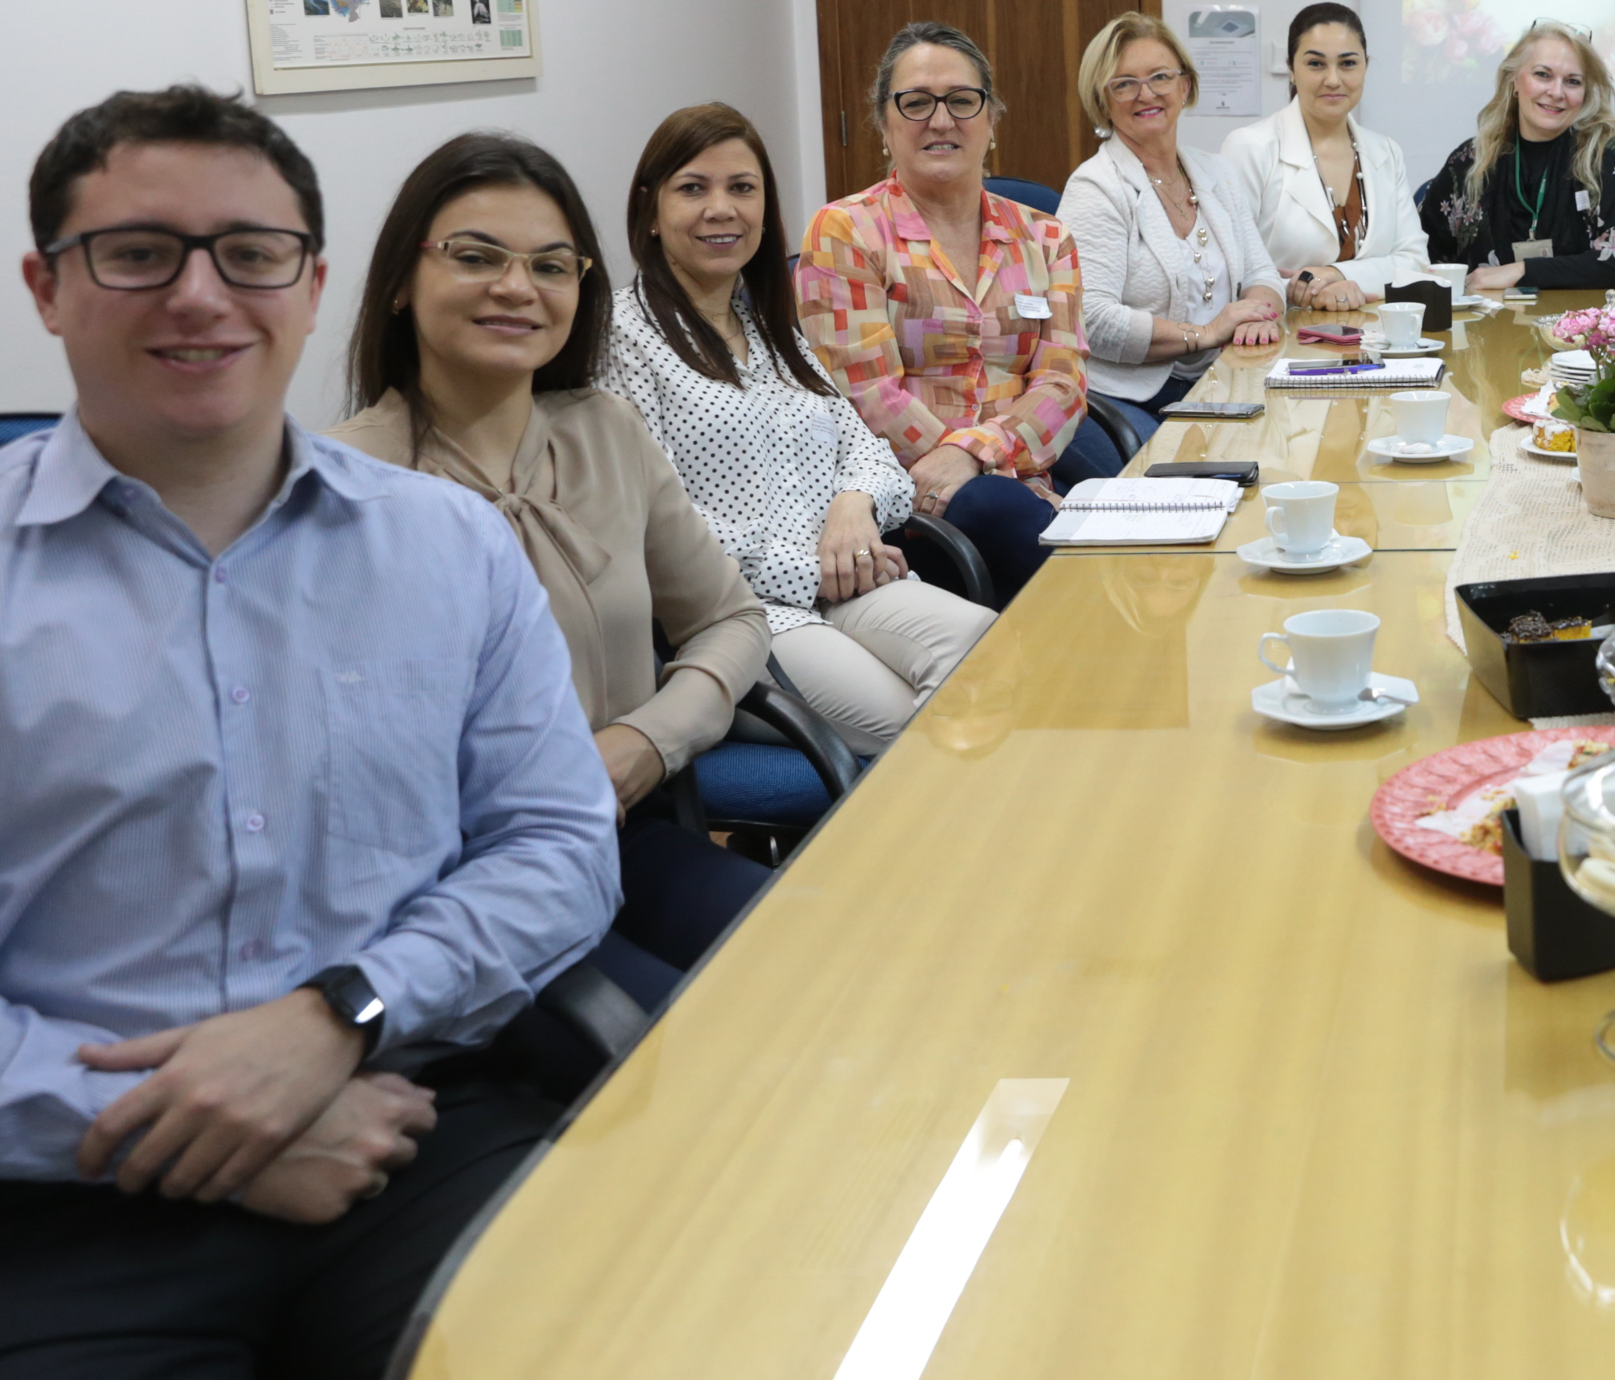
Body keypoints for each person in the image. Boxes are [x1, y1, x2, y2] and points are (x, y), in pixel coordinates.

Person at [0, 87, 614, 1376]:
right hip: (60, 1197)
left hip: (407, 1123)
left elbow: (557, 847)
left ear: (315, 280)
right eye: (137, 252)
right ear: (45, 286)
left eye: (252, 253)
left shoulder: (445, 547)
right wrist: (182, 1115)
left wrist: (340, 1017)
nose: (201, 294)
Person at [329, 132, 772, 1011]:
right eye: (475, 256)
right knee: (671, 1057)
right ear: (397, 283)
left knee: (815, 969)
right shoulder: (344, 489)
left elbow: (731, 620)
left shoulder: (605, 430)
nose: (516, 287)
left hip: (629, 834)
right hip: (463, 885)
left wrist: (646, 743)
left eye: (552, 264)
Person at [603, 103, 995, 755]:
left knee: (991, 652)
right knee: (916, 729)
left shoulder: (770, 327)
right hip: (736, 615)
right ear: (649, 209)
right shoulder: (624, 340)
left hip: (845, 583)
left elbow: (871, 452)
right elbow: (654, 530)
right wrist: (808, 569)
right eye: (693, 188)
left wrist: (854, 503)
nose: (721, 208)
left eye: (742, 188)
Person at [802, 21, 1108, 607]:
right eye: (915, 103)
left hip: (1023, 480)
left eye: (962, 101)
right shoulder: (845, 231)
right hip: (909, 497)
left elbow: (1063, 383)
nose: (940, 120)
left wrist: (978, 453)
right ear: (884, 125)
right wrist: (965, 469)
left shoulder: (1045, 236)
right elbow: (866, 394)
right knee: (1001, 510)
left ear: (991, 120)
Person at [1062, 11, 1287, 445]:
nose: (1145, 93)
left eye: (1160, 77)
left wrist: (1256, 316)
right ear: (1102, 100)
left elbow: (1263, 274)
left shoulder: (1215, 172)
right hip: (1126, 400)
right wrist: (1204, 334)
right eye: (1123, 83)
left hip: (1223, 379)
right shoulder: (1096, 187)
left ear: (1184, 86)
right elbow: (1091, 320)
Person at [1419, 20, 1615, 296]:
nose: (1556, 92)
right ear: (1514, 80)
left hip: (1579, 333)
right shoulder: (1469, 161)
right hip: (1484, 331)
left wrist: (1523, 270)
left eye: (1572, 81)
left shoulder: (1607, 156)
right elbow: (1422, 258)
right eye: (1543, 75)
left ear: (1586, 92)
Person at [1220, 1, 1427, 310]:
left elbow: (1415, 264)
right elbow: (1227, 270)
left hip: (1373, 341)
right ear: (1291, 68)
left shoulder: (1385, 152)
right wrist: (1298, 289)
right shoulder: (1250, 148)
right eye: (1316, 64)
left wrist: (1334, 274)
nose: (1333, 79)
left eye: (1348, 64)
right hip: (1277, 338)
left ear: (1366, 67)